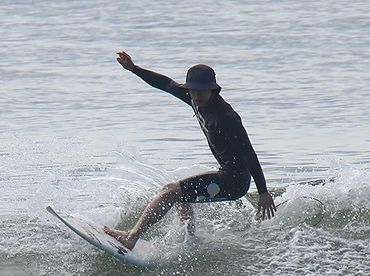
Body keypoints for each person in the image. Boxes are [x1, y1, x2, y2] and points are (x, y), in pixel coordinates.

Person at [103, 51, 276, 250]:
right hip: (226, 172)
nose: (196, 95)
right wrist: (134, 69)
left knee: (170, 191)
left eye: (202, 91)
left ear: (213, 90)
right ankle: (191, 242)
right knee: (179, 193)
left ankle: (131, 237)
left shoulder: (226, 118)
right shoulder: (192, 97)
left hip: (235, 181)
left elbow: (249, 153)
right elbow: (166, 84)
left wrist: (263, 192)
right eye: (193, 90)